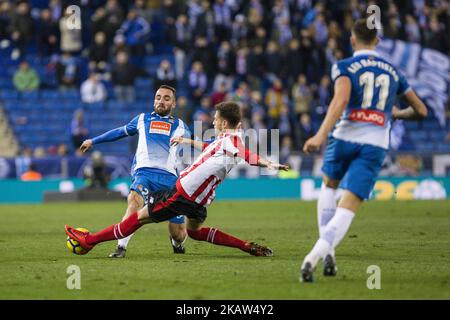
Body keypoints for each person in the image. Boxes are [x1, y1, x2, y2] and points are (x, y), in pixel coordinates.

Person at [66, 101, 289, 256]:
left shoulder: (232, 142)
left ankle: (89, 241)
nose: (212, 122)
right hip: (201, 200)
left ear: (223, 123)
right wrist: (187, 142)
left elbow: (247, 155)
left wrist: (269, 164)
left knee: (136, 219)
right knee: (193, 232)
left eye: (215, 119)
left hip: (182, 193)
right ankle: (245, 246)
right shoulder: (228, 139)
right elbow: (212, 147)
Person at [299, 19, 428, 282]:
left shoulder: (344, 66)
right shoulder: (393, 71)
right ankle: (313, 258)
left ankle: (328, 253)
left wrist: (321, 134)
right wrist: (397, 114)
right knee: (349, 205)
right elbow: (421, 110)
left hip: (344, 136)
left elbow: (341, 99)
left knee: (328, 186)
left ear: (352, 40)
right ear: (377, 41)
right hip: (375, 143)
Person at [79, 85, 190, 257]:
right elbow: (119, 132)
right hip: (144, 174)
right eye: (158, 97)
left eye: (166, 98)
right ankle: (121, 248)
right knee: (134, 201)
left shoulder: (181, 126)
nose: (161, 101)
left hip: (169, 180)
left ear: (174, 104)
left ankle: (177, 243)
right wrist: (93, 141)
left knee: (178, 232)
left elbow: (192, 150)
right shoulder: (141, 119)